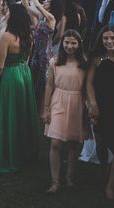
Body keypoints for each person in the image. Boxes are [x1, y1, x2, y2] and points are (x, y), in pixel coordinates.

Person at [0, 3, 40, 173]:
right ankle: (25, 151)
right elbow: (26, 58)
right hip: (24, 73)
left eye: (9, 12)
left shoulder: (6, 36)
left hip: (11, 75)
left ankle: (10, 152)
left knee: (10, 113)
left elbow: (0, 65)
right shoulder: (29, 35)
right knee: (23, 112)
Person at [43, 30, 87, 194]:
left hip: (76, 102)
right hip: (58, 101)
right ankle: (55, 181)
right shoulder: (55, 62)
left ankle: (69, 176)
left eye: (73, 43)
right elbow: (49, 85)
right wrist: (46, 108)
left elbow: (87, 88)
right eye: (66, 42)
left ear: (79, 44)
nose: (69, 46)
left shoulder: (84, 63)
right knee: (55, 143)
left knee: (73, 143)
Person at [86, 26, 114, 200]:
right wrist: (93, 105)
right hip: (101, 108)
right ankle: (105, 168)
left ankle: (111, 185)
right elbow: (89, 84)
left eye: (112, 38)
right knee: (101, 144)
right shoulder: (97, 59)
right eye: (105, 38)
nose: (109, 42)